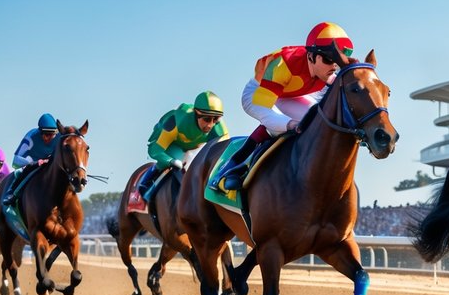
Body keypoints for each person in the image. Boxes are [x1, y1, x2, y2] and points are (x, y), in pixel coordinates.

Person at [214, 22, 355, 191]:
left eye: (337, 61)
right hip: (259, 93)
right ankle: (232, 167)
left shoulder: (327, 71)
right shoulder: (284, 64)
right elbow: (267, 110)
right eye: (328, 59)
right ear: (310, 56)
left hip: (290, 94)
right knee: (280, 124)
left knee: (317, 118)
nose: (333, 67)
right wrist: (289, 124)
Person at [136, 91, 228, 198]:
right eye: (207, 119)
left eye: (216, 119)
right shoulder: (177, 121)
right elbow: (154, 150)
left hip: (196, 146)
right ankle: (143, 188)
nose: (210, 125)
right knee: (176, 163)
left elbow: (224, 154)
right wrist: (170, 161)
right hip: (173, 145)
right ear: (196, 114)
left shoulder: (219, 128)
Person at [2, 113, 61, 205]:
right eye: (46, 135)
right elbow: (15, 161)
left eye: (52, 135)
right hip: (33, 162)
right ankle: (11, 193)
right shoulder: (31, 136)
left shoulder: (60, 136)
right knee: (20, 171)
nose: (49, 138)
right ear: (40, 132)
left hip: (50, 161)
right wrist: (36, 162)